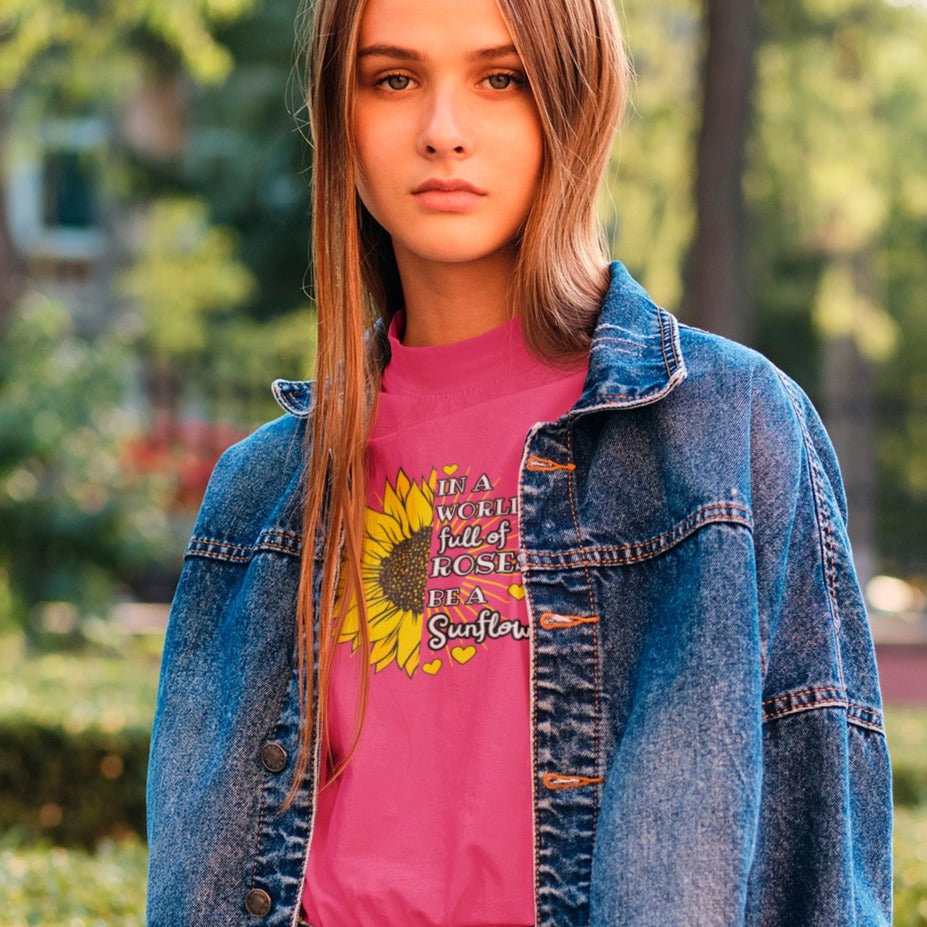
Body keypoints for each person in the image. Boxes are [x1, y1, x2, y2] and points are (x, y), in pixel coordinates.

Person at [145, 0, 893, 923]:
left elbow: (820, 864)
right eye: (393, 79)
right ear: (342, 122)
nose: (442, 132)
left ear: (574, 103)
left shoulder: (725, 428)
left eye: (501, 80)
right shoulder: (258, 493)